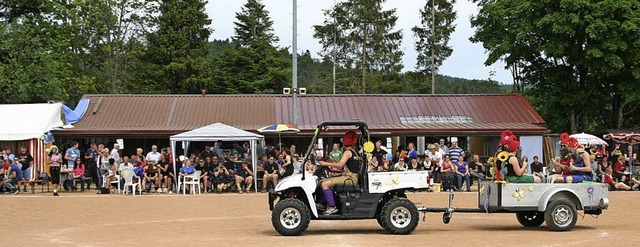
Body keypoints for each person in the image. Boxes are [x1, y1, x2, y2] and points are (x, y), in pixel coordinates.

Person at [318, 131, 361, 215]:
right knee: (322, 181)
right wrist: (339, 174)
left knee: (324, 184)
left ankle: (332, 207)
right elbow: (350, 168)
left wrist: (325, 163)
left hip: (350, 179)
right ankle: (323, 204)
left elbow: (340, 165)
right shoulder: (355, 152)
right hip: (350, 176)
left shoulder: (347, 152)